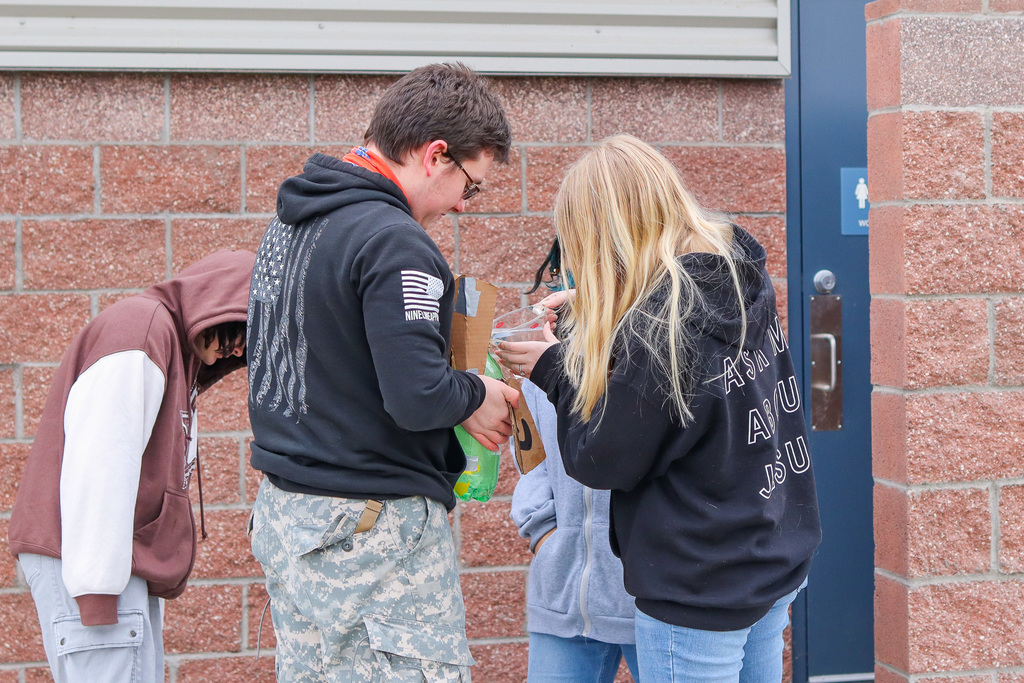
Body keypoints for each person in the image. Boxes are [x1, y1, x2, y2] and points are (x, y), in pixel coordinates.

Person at [497, 135, 821, 683]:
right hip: (769, 556)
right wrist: (598, 301)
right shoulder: (736, 275)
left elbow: (601, 458)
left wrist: (553, 367)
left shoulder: (663, 330)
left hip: (700, 585)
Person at [245, 62, 519, 681]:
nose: (461, 207)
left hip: (293, 519)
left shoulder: (291, 226)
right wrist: (478, 390)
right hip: (367, 530)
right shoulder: (395, 242)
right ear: (435, 155)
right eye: (469, 187)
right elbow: (418, 395)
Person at [8, 248, 256, 683]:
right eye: (239, 328)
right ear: (216, 303)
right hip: (94, 563)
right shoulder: (140, 331)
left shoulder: (166, 344)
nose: (237, 347)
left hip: (112, 561)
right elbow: (100, 465)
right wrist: (99, 595)